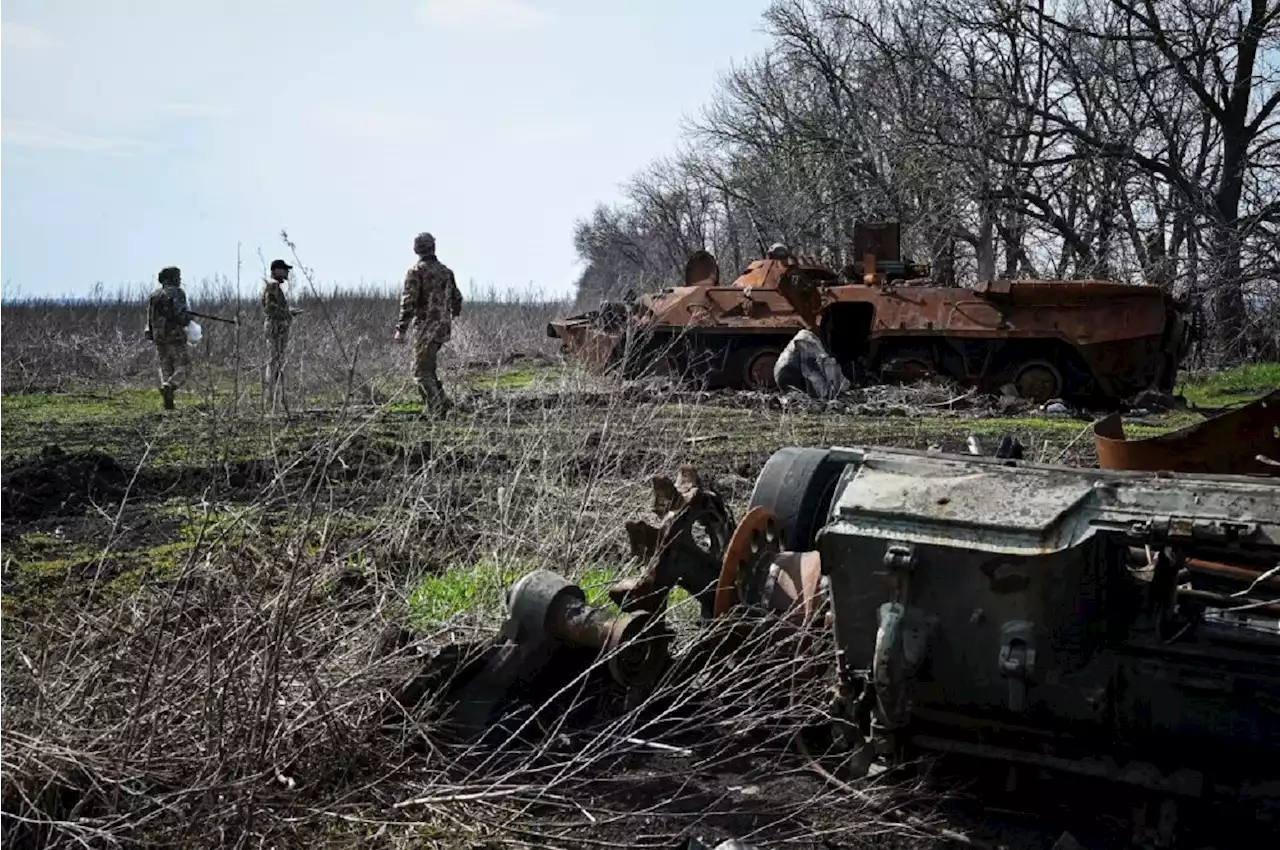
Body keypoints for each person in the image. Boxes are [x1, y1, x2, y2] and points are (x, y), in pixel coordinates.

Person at [394, 231, 463, 414]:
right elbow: (457, 298)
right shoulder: (446, 272)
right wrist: (451, 315)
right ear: (433, 247)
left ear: (416, 249)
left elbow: (408, 301)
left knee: (420, 371)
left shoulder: (416, 272)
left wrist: (401, 329)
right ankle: (444, 404)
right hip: (442, 328)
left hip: (425, 328)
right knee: (428, 368)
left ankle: (436, 409)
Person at [144, 266, 193, 410]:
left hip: (158, 337)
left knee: (166, 367)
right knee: (185, 365)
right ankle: (170, 386)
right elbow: (180, 315)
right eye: (178, 277)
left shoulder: (154, 295)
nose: (180, 280)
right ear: (173, 279)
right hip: (174, 335)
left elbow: (150, 318)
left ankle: (168, 401)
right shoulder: (177, 293)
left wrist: (151, 333)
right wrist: (189, 317)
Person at [261, 258, 301, 412]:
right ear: (276, 270)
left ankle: (275, 401)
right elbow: (270, 309)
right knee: (274, 363)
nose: (286, 272)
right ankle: (271, 401)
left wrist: (289, 312)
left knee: (277, 363)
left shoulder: (275, 286)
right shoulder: (272, 285)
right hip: (275, 328)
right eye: (284, 269)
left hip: (277, 327)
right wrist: (287, 313)